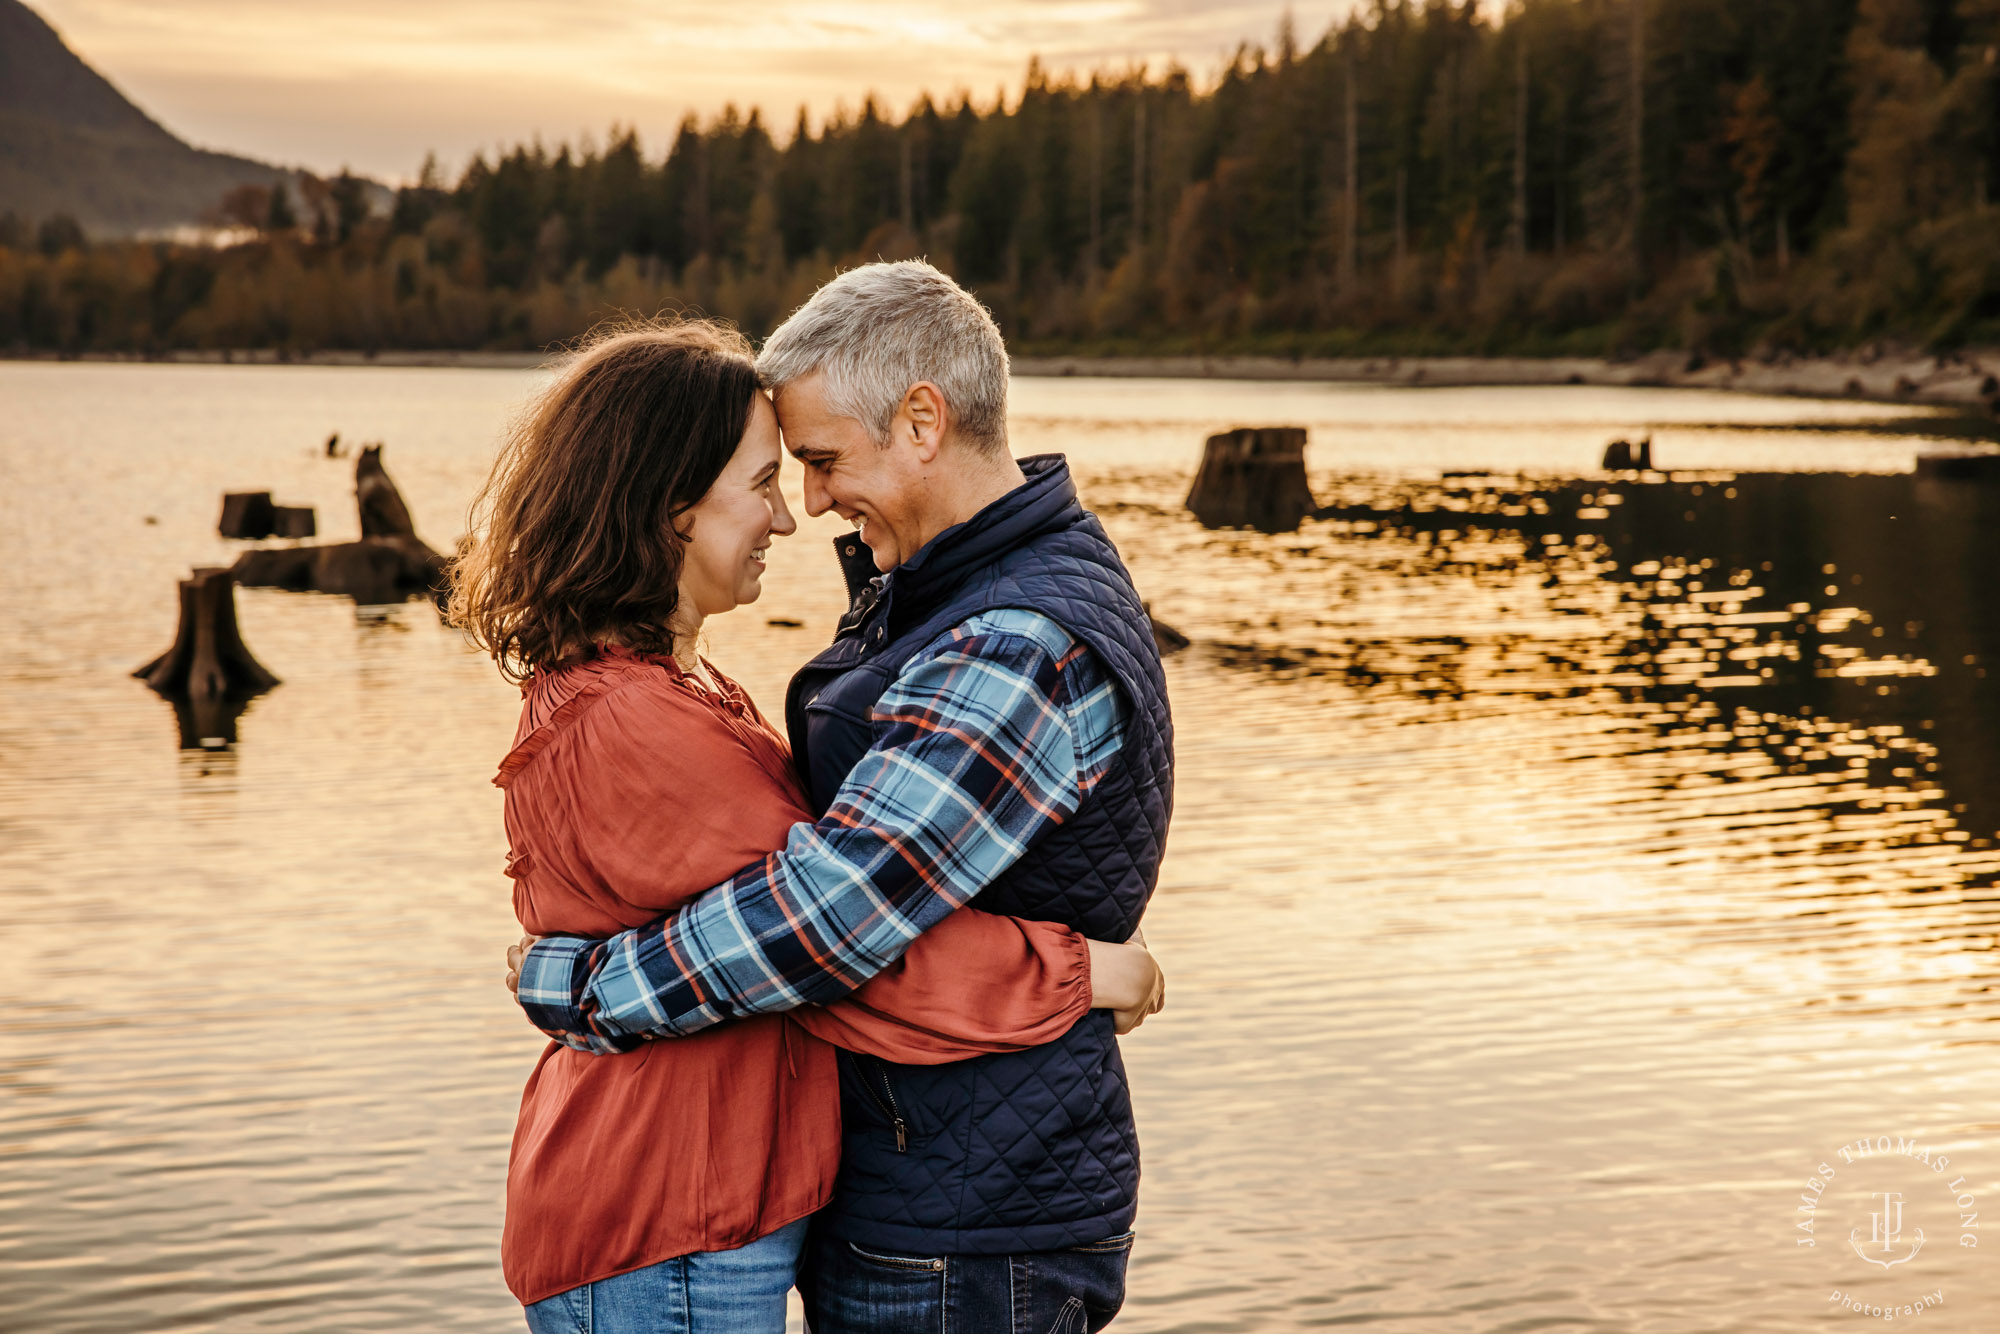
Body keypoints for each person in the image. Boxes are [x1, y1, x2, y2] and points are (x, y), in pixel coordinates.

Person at [452, 318, 1166, 1334]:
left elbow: (823, 922)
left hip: (696, 1211)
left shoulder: (677, 693)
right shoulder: (638, 720)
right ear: (669, 510)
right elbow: (837, 945)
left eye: (811, 467)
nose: (794, 516)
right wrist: (1082, 971)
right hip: (667, 1214)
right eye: (766, 482)